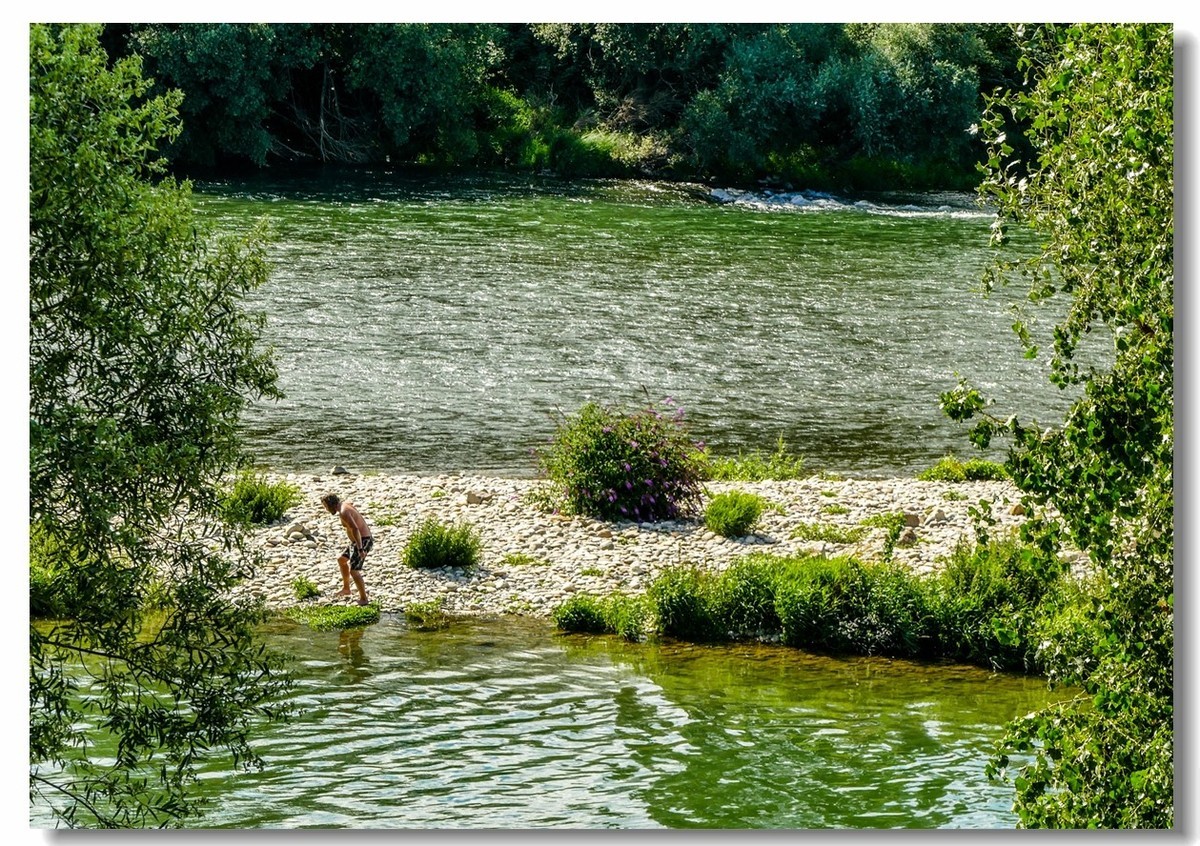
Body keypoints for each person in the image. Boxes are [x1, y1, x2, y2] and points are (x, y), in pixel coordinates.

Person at [321, 493, 373, 606]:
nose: (326, 509)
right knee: (342, 560)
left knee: (354, 570)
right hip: (356, 541)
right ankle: (346, 589)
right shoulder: (344, 506)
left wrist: (360, 549)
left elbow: (355, 528)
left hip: (363, 541)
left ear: (331, 504)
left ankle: (364, 598)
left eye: (326, 507)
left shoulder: (344, 511)